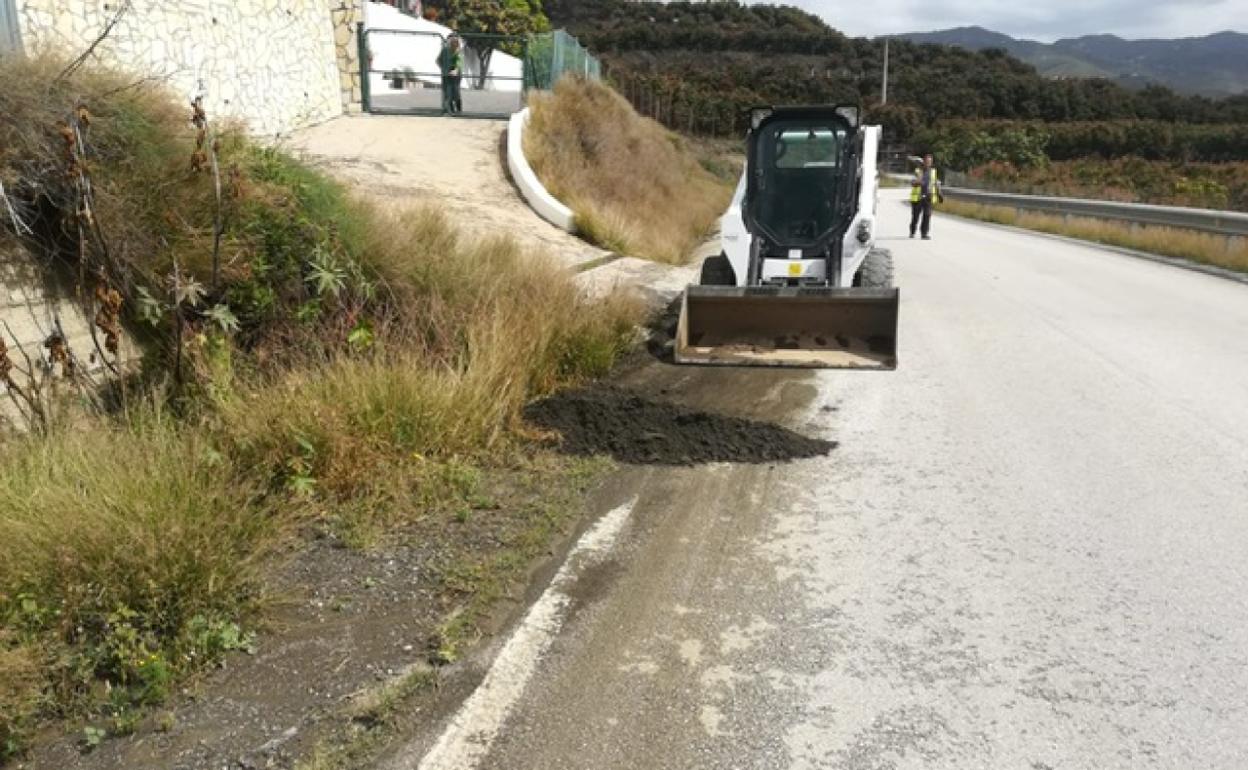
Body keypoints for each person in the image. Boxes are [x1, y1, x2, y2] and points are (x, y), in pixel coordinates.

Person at [909, 154, 943, 240]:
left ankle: (924, 234)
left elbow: (936, 183)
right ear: (923, 162)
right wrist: (918, 181)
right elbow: (913, 182)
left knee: (927, 216)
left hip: (928, 196)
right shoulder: (918, 171)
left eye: (930, 162)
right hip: (918, 197)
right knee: (915, 217)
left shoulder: (933, 172)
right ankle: (912, 231)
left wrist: (939, 194)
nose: (928, 163)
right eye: (927, 161)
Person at [437, 35, 463, 115]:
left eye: (456, 43)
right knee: (449, 93)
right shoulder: (445, 50)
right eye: (452, 42)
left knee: (456, 92)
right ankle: (451, 110)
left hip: (456, 75)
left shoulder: (458, 52)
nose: (454, 44)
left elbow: (459, 62)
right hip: (447, 74)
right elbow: (438, 60)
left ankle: (458, 109)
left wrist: (456, 70)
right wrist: (444, 69)